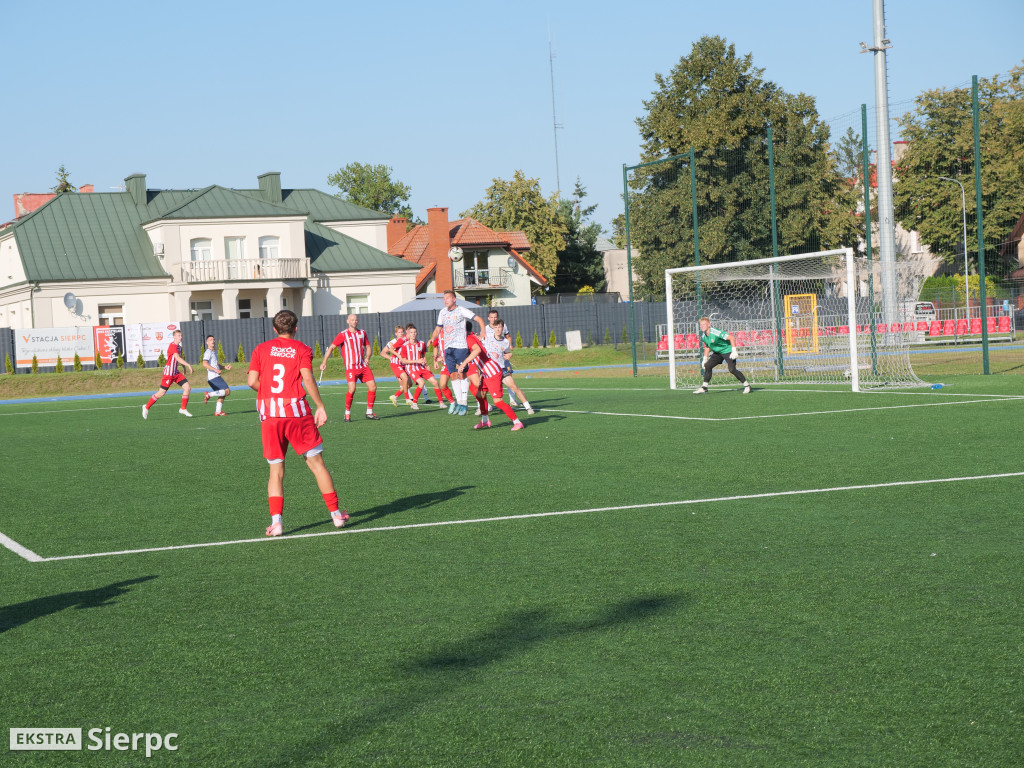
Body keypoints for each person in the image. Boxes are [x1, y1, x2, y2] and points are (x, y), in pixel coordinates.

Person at [248, 310, 348, 536]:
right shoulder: (302, 349)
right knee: (316, 464)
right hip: (296, 414)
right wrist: (320, 406)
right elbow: (307, 377)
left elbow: (252, 381)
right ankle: (336, 515)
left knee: (276, 470)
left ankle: (277, 523)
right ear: (296, 328)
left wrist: (269, 394)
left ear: (274, 329)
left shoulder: (261, 349)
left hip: (270, 416)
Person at [429, 290, 484, 415]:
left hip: (460, 347)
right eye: (444, 298)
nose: (445, 300)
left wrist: (483, 332)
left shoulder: (461, 310)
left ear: (454, 299)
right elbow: (438, 328)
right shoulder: (442, 312)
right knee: (453, 375)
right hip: (448, 349)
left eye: (448, 298)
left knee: (462, 375)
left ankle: (464, 403)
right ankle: (459, 402)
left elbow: (479, 319)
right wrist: (433, 337)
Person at [460, 329, 525, 431]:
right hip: (486, 372)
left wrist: (464, 363)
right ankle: (485, 421)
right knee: (480, 396)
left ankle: (517, 422)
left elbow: (477, 350)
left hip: (492, 372)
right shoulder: (470, 337)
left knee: (498, 402)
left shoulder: (469, 338)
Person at [321, 313, 379, 422]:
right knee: (352, 389)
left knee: (373, 387)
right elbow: (332, 348)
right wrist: (324, 362)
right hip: (351, 367)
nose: (354, 322)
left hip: (362, 365)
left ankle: (369, 412)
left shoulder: (362, 333)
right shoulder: (343, 334)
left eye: (356, 320)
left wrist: (367, 357)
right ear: (348, 321)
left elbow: (368, 346)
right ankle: (347, 413)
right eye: (352, 320)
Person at [484, 313, 533, 414]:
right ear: (493, 328)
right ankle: (484, 408)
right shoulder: (487, 339)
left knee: (514, 386)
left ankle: (528, 407)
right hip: (489, 370)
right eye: (496, 327)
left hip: (501, 369)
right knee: (482, 391)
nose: (498, 329)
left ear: (503, 328)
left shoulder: (506, 342)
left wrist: (509, 355)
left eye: (500, 327)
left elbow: (506, 353)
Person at [142, 329, 193, 419]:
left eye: (181, 336)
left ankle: (183, 408)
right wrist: (188, 365)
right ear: (174, 337)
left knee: (187, 387)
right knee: (161, 393)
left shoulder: (179, 347)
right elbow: (176, 357)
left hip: (176, 373)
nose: (181, 337)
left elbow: (179, 357)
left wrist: (183, 367)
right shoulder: (172, 346)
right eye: (179, 336)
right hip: (168, 374)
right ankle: (146, 407)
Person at [694, 316, 751, 395]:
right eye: (701, 325)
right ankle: (704, 388)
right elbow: (707, 347)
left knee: (732, 369)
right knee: (708, 366)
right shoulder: (703, 336)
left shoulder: (715, 332)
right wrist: (704, 359)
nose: (702, 326)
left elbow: (731, 337)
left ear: (709, 325)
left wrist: (734, 351)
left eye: (704, 324)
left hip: (727, 351)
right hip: (717, 353)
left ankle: (747, 385)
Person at [396, 324, 444, 410]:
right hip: (411, 368)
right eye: (411, 332)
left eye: (414, 332)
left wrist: (426, 365)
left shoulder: (421, 344)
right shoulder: (405, 346)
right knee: (421, 383)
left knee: (435, 382)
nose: (413, 334)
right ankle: (414, 403)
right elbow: (403, 361)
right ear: (408, 334)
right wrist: (416, 361)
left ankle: (441, 403)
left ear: (417, 333)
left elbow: (423, 356)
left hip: (421, 368)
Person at [380, 325, 412, 407]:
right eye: (399, 332)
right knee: (404, 379)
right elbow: (383, 352)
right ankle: (407, 399)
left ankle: (395, 396)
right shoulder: (392, 342)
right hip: (396, 364)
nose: (401, 334)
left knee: (409, 384)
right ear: (396, 333)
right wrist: (390, 357)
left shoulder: (406, 340)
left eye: (402, 332)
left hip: (404, 364)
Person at [201, 335, 232, 416]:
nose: (213, 341)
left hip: (213, 377)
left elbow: (216, 365)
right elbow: (204, 364)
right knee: (227, 391)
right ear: (207, 342)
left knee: (223, 394)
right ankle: (209, 394)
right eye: (210, 340)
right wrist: (215, 370)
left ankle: (218, 411)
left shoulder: (213, 352)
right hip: (213, 377)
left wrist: (225, 367)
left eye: (213, 339)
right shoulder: (208, 352)